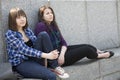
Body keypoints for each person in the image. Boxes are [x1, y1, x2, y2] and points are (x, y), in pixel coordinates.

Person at [34, 5, 114, 67]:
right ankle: (101, 55)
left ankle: (98, 51)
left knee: (87, 45)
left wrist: (62, 54)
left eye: (51, 13)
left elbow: (63, 42)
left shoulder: (53, 25)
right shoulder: (41, 26)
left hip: (60, 52)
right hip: (53, 58)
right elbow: (44, 47)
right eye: (47, 13)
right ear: (42, 16)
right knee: (86, 50)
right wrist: (59, 57)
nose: (51, 15)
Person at [5, 7, 69, 80]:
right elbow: (24, 49)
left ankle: (54, 66)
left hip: (34, 59)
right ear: (12, 20)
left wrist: (50, 54)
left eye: (23, 16)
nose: (22, 19)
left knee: (43, 34)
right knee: (51, 76)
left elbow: (37, 44)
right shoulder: (10, 34)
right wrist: (47, 55)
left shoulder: (27, 30)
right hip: (22, 63)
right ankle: (51, 66)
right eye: (18, 18)